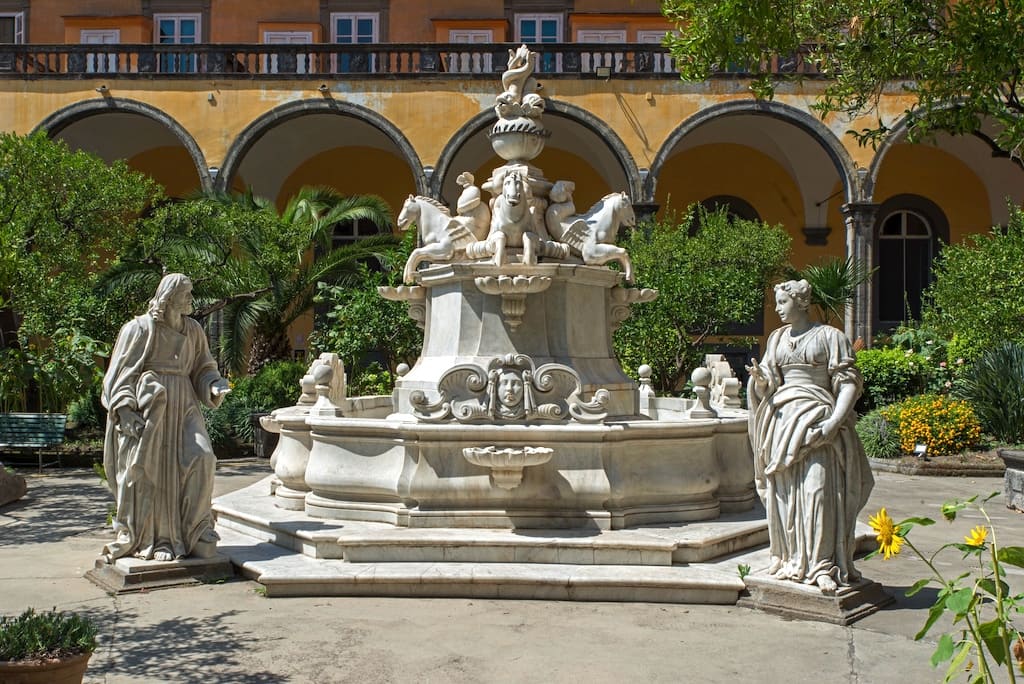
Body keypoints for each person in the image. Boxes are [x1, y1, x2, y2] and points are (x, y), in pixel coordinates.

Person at [747, 279, 874, 594]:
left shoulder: (830, 337)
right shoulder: (776, 339)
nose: (776, 309)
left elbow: (847, 383)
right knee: (785, 497)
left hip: (818, 422)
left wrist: (833, 422)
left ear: (800, 302)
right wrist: (761, 381)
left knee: (817, 494)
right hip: (781, 424)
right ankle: (790, 559)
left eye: (781, 302)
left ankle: (821, 565)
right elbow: (769, 385)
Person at [101, 273, 231, 562]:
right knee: (154, 471)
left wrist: (212, 384)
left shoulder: (194, 329)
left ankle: (196, 530)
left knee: (202, 457)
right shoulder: (139, 330)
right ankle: (158, 538)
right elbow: (118, 375)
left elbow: (203, 366)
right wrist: (125, 409)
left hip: (184, 403)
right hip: (153, 408)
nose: (190, 299)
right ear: (169, 297)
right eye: (186, 294)